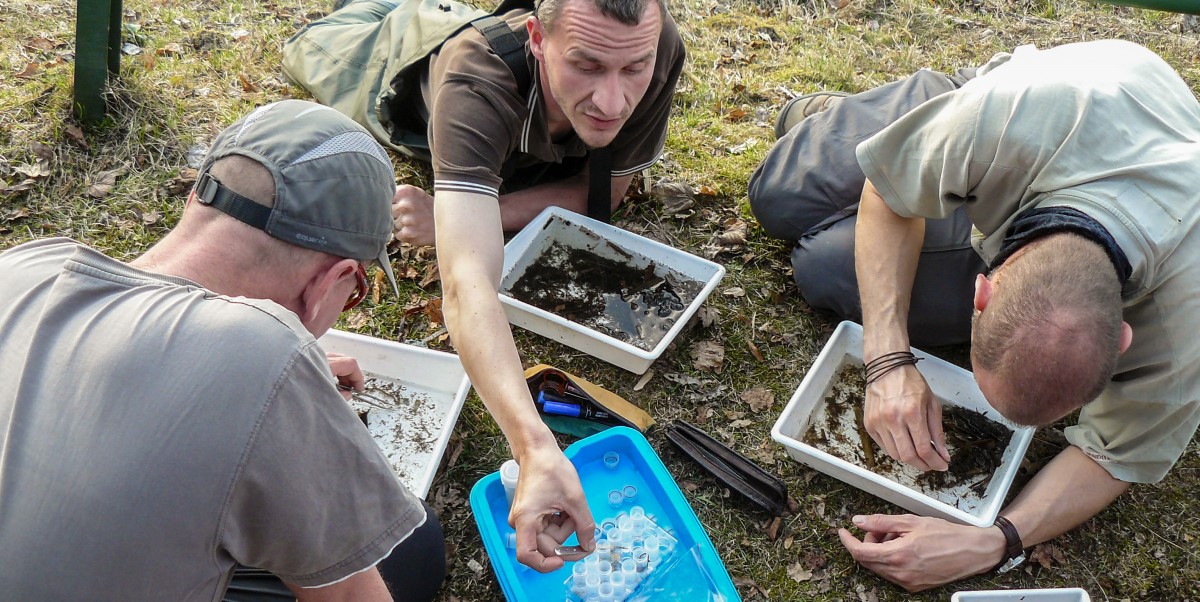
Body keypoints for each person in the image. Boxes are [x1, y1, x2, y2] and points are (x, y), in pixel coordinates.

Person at [761, 40, 1200, 591]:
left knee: (826, 268)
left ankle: (902, 147)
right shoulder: (1011, 116)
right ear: (982, 292)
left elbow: (1118, 456)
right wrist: (886, 358)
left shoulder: (1188, 330)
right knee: (777, 197)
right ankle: (881, 114)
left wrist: (996, 540)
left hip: (1096, 188)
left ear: (1126, 338)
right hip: (1013, 115)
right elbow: (889, 193)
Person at [284, 0, 685, 572]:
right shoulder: (476, 78)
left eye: (632, 69)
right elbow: (467, 282)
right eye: (586, 65)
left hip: (502, 113)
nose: (614, 102)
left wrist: (477, 208)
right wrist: (534, 443)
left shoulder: (654, 43)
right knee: (324, 47)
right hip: (404, 67)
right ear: (538, 38)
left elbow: (605, 194)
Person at [0, 100, 446, 601]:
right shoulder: (267, 357)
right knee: (412, 549)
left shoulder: (25, 264)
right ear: (334, 281)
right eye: (356, 290)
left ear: (195, 199)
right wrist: (277, 383)